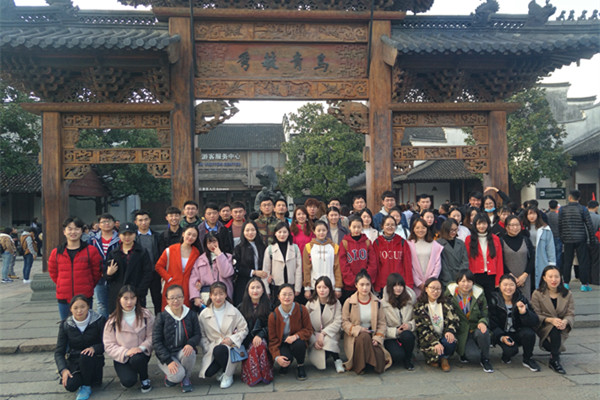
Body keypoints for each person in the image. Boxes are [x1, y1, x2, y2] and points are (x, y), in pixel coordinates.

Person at [49, 217, 103, 320]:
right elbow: (53, 273)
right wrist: (62, 284)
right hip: (64, 296)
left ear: (82, 231)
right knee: (66, 325)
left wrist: (88, 284)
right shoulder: (56, 252)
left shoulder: (91, 251)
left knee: (86, 325)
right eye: (70, 229)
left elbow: (96, 272)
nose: (73, 232)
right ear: (64, 231)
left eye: (77, 229)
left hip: (84, 296)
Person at [103, 285, 154, 393]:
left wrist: (141, 348)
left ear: (136, 299)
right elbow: (109, 345)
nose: (129, 302)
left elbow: (152, 336)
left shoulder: (146, 315)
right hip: (122, 356)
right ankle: (130, 373)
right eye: (125, 298)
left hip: (141, 354)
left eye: (132, 298)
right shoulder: (112, 320)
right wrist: (126, 352)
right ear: (119, 299)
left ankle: (144, 378)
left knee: (137, 359)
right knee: (128, 381)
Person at [198, 282, 249, 389]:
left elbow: (244, 329)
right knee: (208, 372)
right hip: (213, 347)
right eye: (215, 294)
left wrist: (232, 339)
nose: (218, 297)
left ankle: (228, 375)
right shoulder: (204, 314)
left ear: (226, 294)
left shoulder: (233, 311)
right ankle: (222, 368)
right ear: (210, 295)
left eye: (221, 294)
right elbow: (201, 334)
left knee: (220, 350)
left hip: (229, 347)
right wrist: (207, 347)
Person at [54, 295, 106, 400]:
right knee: (70, 385)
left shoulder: (99, 320)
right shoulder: (66, 325)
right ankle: (84, 380)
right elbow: (59, 352)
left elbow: (107, 343)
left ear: (88, 307)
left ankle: (86, 386)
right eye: (75, 308)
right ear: (70, 309)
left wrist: (94, 348)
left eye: (83, 307)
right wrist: (63, 370)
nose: (79, 311)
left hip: (93, 360)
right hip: (75, 362)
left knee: (86, 355)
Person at [342, 269, 391, 374]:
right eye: (362, 285)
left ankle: (368, 362)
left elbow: (382, 323)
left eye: (367, 285)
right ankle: (360, 366)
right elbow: (344, 322)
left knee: (380, 366)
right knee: (364, 337)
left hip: (372, 334)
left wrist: (378, 338)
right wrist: (358, 329)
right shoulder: (349, 302)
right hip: (355, 336)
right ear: (356, 285)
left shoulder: (377, 302)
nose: (365, 288)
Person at [153, 285, 201, 392]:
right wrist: (168, 361)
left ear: (184, 298)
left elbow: (197, 334)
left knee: (190, 352)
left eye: (179, 297)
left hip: (182, 352)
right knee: (176, 376)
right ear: (167, 300)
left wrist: (190, 343)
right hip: (167, 355)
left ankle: (186, 378)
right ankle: (174, 377)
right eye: (172, 298)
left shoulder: (191, 315)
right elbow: (156, 342)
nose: (176, 300)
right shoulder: (161, 317)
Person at [489, 274, 541, 371]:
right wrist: (501, 337)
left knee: (529, 333)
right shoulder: (494, 300)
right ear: (499, 286)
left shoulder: (521, 299)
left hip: (517, 331)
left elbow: (534, 321)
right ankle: (506, 355)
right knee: (511, 351)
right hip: (502, 333)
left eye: (511, 285)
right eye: (505, 285)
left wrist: (524, 313)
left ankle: (528, 359)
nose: (508, 288)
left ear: (515, 286)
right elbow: (492, 323)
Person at [531, 266, 575, 374]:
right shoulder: (537, 294)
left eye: (556, 276)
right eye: (550, 277)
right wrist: (550, 320)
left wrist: (565, 321)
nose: (553, 280)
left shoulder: (567, 294)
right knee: (553, 328)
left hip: (561, 326)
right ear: (544, 278)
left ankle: (554, 359)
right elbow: (535, 315)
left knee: (556, 328)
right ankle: (555, 359)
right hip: (544, 325)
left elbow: (570, 313)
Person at [446, 271, 493, 373]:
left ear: (473, 283)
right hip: (460, 331)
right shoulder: (450, 294)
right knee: (474, 356)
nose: (466, 284)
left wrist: (482, 322)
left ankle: (486, 359)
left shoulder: (479, 294)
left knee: (483, 332)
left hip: (475, 328)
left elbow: (485, 313)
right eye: (463, 281)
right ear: (457, 282)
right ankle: (464, 352)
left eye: (469, 281)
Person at [105, 223, 153, 314]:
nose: (127, 237)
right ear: (119, 235)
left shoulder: (142, 252)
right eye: (124, 234)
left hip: (136, 292)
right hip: (118, 294)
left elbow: (147, 273)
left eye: (130, 234)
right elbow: (107, 276)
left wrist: (140, 291)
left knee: (138, 319)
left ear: (135, 234)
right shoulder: (113, 253)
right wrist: (109, 274)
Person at [268, 284, 314, 380]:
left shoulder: (302, 309)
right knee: (285, 357)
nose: (287, 297)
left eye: (290, 294)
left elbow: (309, 330)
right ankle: (286, 364)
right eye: (284, 294)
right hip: (282, 343)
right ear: (278, 296)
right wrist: (276, 357)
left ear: (294, 295)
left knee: (299, 344)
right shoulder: (273, 316)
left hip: (297, 341)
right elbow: (273, 340)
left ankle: (300, 365)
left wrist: (296, 336)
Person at [414, 278, 459, 372]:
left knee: (450, 341)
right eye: (432, 288)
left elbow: (454, 319)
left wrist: (450, 331)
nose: (435, 291)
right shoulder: (419, 306)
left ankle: (444, 358)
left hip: (443, 335)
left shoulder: (446, 302)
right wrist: (435, 342)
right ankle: (434, 358)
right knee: (435, 352)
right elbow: (421, 328)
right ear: (426, 289)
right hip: (428, 339)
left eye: (438, 289)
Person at [155, 226, 202, 311]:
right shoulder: (171, 249)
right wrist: (168, 278)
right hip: (171, 286)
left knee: (185, 311)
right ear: (183, 234)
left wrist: (198, 281)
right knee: (169, 311)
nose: (190, 237)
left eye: (194, 235)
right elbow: (158, 266)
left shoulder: (196, 252)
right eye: (189, 234)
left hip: (187, 287)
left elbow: (197, 270)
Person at [237, 277, 274, 386]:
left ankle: (264, 374)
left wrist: (260, 335)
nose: (255, 290)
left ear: (263, 290)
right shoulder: (241, 307)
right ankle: (253, 375)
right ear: (247, 290)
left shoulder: (269, 306)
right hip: (246, 339)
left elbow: (272, 326)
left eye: (258, 287)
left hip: (264, 338)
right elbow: (238, 326)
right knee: (253, 346)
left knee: (259, 345)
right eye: (252, 288)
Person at [559, 190, 597, 291]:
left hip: (567, 239)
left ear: (569, 197)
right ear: (579, 198)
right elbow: (589, 225)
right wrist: (592, 240)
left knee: (567, 261)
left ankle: (566, 283)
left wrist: (562, 237)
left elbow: (560, 225)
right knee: (583, 261)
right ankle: (584, 284)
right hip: (581, 238)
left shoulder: (562, 209)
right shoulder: (583, 209)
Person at [306, 276, 345, 373]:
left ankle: (337, 360)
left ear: (330, 288)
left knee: (328, 342)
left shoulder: (336, 303)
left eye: (325, 287)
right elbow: (305, 324)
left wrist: (323, 333)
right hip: (314, 335)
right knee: (320, 361)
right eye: (319, 287)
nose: (322, 290)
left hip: (330, 334)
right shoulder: (310, 303)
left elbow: (338, 322)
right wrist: (314, 340)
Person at [465, 213, 504, 303]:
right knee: (477, 302)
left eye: (484, 223)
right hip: (475, 275)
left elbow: (499, 261)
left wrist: (498, 280)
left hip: (491, 275)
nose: (482, 226)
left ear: (488, 224)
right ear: (475, 225)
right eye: (479, 224)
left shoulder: (495, 239)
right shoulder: (469, 239)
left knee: (491, 302)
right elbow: (468, 259)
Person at [189, 233, 234, 309]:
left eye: (214, 241)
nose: (212, 245)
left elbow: (226, 273)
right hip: (206, 296)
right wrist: (196, 297)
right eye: (209, 243)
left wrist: (219, 255)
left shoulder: (228, 257)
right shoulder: (200, 259)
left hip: (224, 295)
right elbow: (193, 279)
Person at [381, 273, 416, 370]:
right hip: (390, 336)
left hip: (406, 333)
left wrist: (410, 325)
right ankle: (401, 355)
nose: (398, 288)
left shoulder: (410, 301)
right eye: (395, 286)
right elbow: (381, 325)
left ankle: (408, 359)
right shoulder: (383, 304)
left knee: (408, 335)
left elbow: (417, 319)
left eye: (400, 285)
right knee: (397, 355)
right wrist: (395, 331)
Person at [339, 215, 377, 303]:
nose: (356, 229)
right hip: (350, 286)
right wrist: (354, 281)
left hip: (365, 285)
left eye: (359, 227)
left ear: (362, 227)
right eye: (354, 227)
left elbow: (372, 262)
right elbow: (343, 264)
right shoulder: (344, 243)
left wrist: (365, 279)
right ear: (349, 227)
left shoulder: (367, 242)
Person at [88, 213, 120, 318]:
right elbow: (90, 258)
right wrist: (99, 272)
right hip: (99, 278)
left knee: (117, 303)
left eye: (109, 221)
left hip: (116, 277)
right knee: (101, 304)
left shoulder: (119, 239)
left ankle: (115, 325)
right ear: (99, 224)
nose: (106, 224)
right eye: (103, 222)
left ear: (114, 223)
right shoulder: (93, 240)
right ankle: (104, 326)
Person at [372, 216, 413, 294]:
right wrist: (377, 285)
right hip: (383, 284)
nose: (390, 227)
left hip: (399, 284)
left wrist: (409, 284)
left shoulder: (402, 242)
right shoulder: (377, 243)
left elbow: (407, 265)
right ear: (382, 226)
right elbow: (376, 266)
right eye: (387, 224)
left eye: (392, 225)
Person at [302, 220, 342, 300]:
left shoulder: (334, 247)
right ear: (314, 231)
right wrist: (307, 288)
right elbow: (306, 269)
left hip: (331, 285)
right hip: (314, 285)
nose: (321, 233)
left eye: (324, 230)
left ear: (327, 231)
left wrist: (338, 287)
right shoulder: (308, 247)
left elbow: (337, 268)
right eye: (319, 230)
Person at [263, 222, 302, 299]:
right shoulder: (270, 249)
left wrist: (297, 288)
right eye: (279, 232)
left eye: (284, 232)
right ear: (275, 233)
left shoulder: (295, 248)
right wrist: (267, 290)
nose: (282, 235)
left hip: (291, 284)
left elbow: (298, 269)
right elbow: (266, 270)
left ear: (288, 233)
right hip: (276, 285)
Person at [134, 210, 162, 316]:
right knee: (140, 300)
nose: (143, 222)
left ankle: (159, 321)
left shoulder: (157, 236)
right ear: (136, 222)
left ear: (150, 220)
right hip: (140, 274)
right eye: (140, 220)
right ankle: (143, 321)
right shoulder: (133, 237)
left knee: (157, 300)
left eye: (146, 219)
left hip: (155, 272)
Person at [501, 215, 535, 300]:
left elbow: (532, 258)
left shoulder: (526, 240)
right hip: (508, 280)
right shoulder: (501, 241)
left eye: (517, 225)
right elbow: (500, 261)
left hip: (525, 279)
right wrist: (511, 277)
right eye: (512, 225)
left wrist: (524, 275)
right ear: (506, 227)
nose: (515, 227)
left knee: (525, 302)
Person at [233, 220, 267, 305]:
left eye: (253, 230)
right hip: (244, 282)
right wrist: (253, 272)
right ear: (243, 232)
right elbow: (237, 267)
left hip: (261, 281)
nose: (250, 233)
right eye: (247, 230)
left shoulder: (262, 246)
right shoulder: (239, 248)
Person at [523, 207, 556, 290]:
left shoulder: (545, 229)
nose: (532, 216)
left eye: (534, 214)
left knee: (541, 280)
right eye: (529, 214)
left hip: (541, 256)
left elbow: (550, 247)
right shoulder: (523, 228)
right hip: (527, 256)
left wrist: (551, 264)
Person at [408, 218, 443, 297]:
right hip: (415, 285)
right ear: (413, 229)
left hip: (431, 286)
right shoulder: (408, 244)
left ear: (427, 229)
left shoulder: (434, 244)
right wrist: (418, 283)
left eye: (423, 228)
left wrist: (430, 283)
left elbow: (438, 265)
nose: (420, 230)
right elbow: (408, 266)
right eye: (417, 228)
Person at [437, 218, 469, 288]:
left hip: (460, 277)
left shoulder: (460, 243)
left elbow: (465, 261)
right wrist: (447, 278)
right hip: (445, 278)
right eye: (451, 230)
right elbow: (441, 263)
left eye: (455, 230)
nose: (454, 232)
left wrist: (460, 275)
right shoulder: (438, 243)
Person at [546, 200, 563, 274]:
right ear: (557, 207)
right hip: (558, 237)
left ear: (549, 206)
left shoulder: (546, 216)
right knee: (558, 255)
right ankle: (557, 270)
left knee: (549, 255)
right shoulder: (559, 216)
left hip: (548, 237)